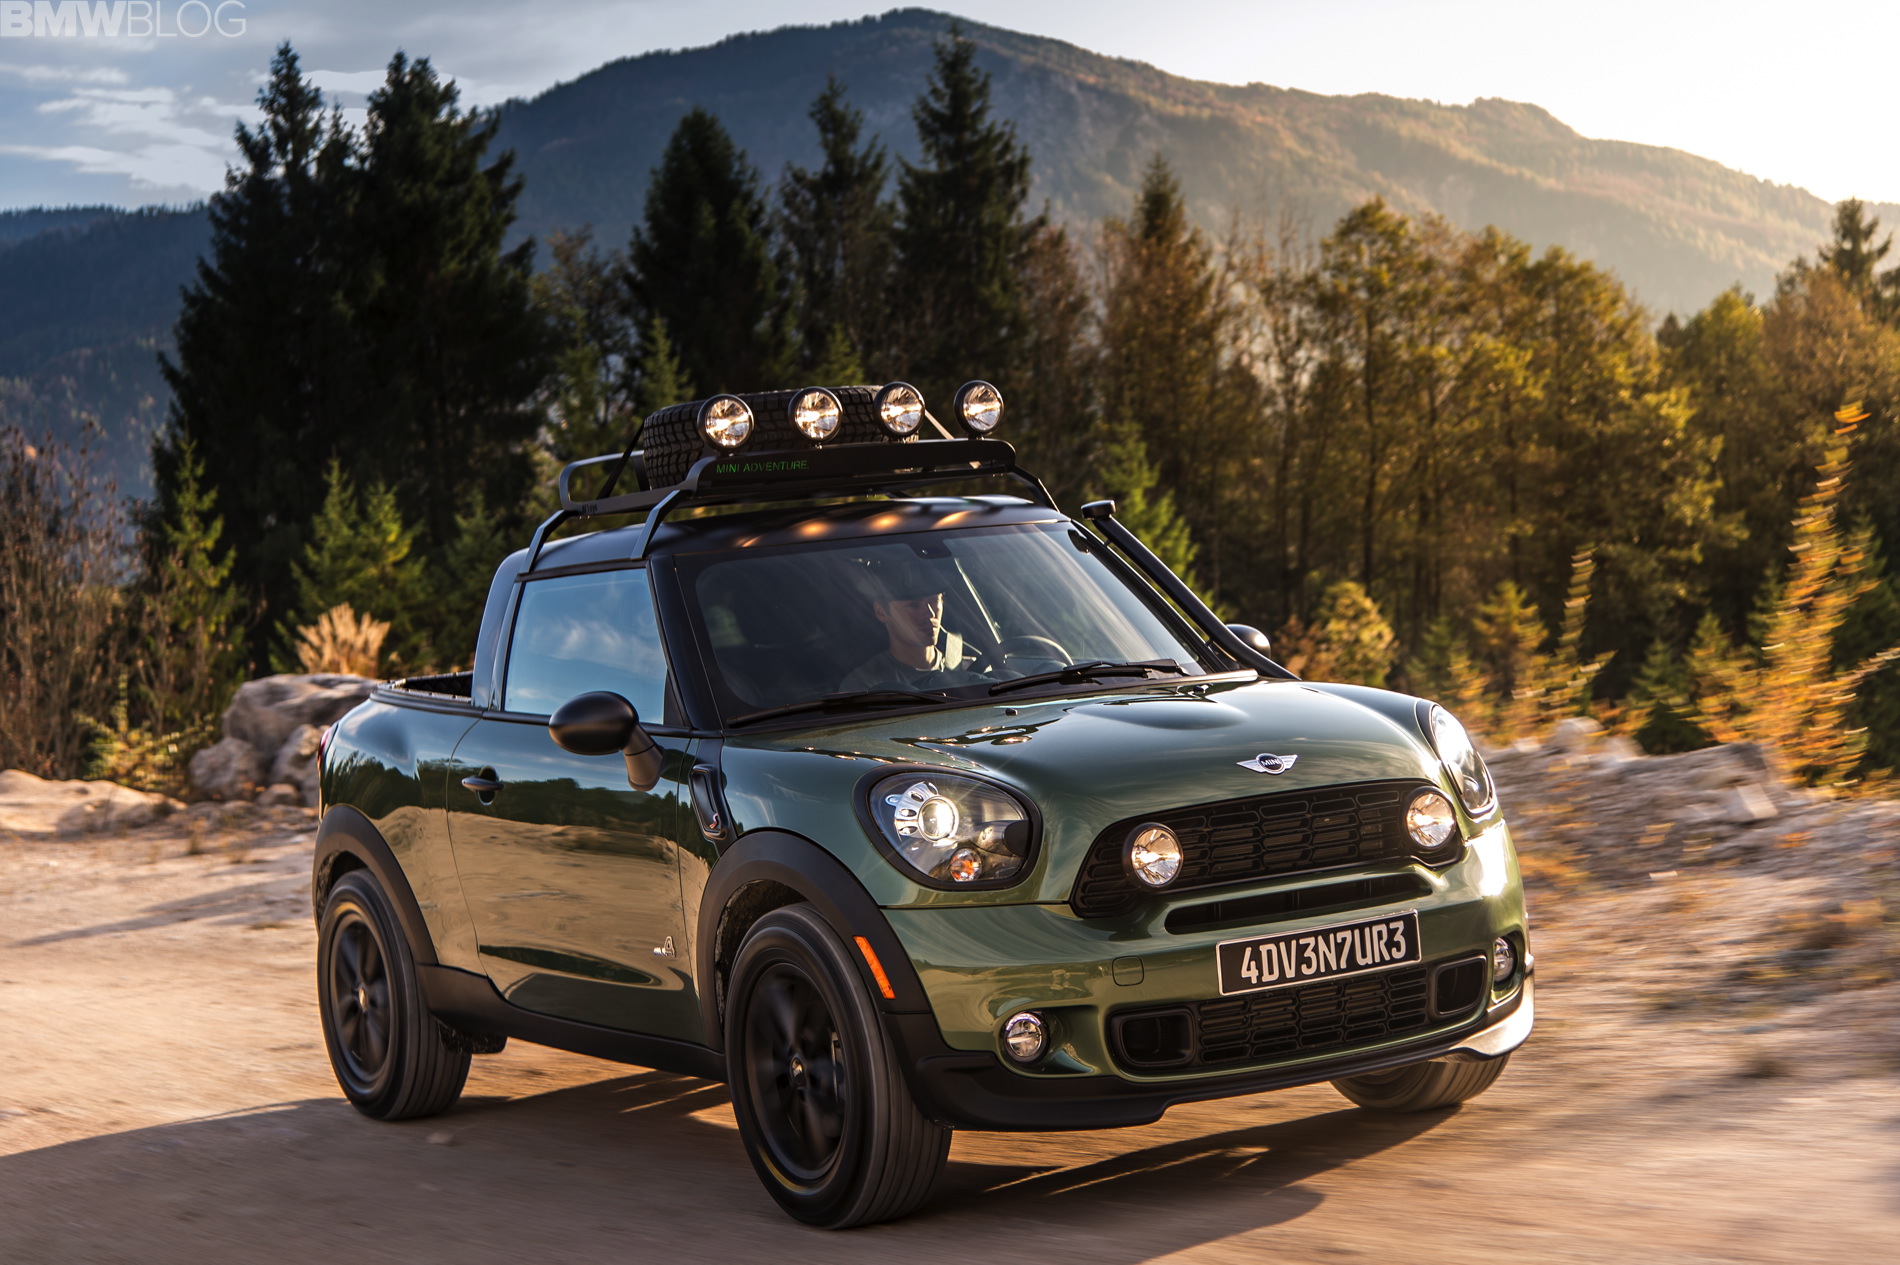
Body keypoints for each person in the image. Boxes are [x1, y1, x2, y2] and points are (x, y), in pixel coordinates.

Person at [838, 560, 985, 692]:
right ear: (881, 612)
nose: (930, 613)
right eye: (913, 605)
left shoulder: (971, 670)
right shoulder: (864, 686)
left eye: (934, 601)